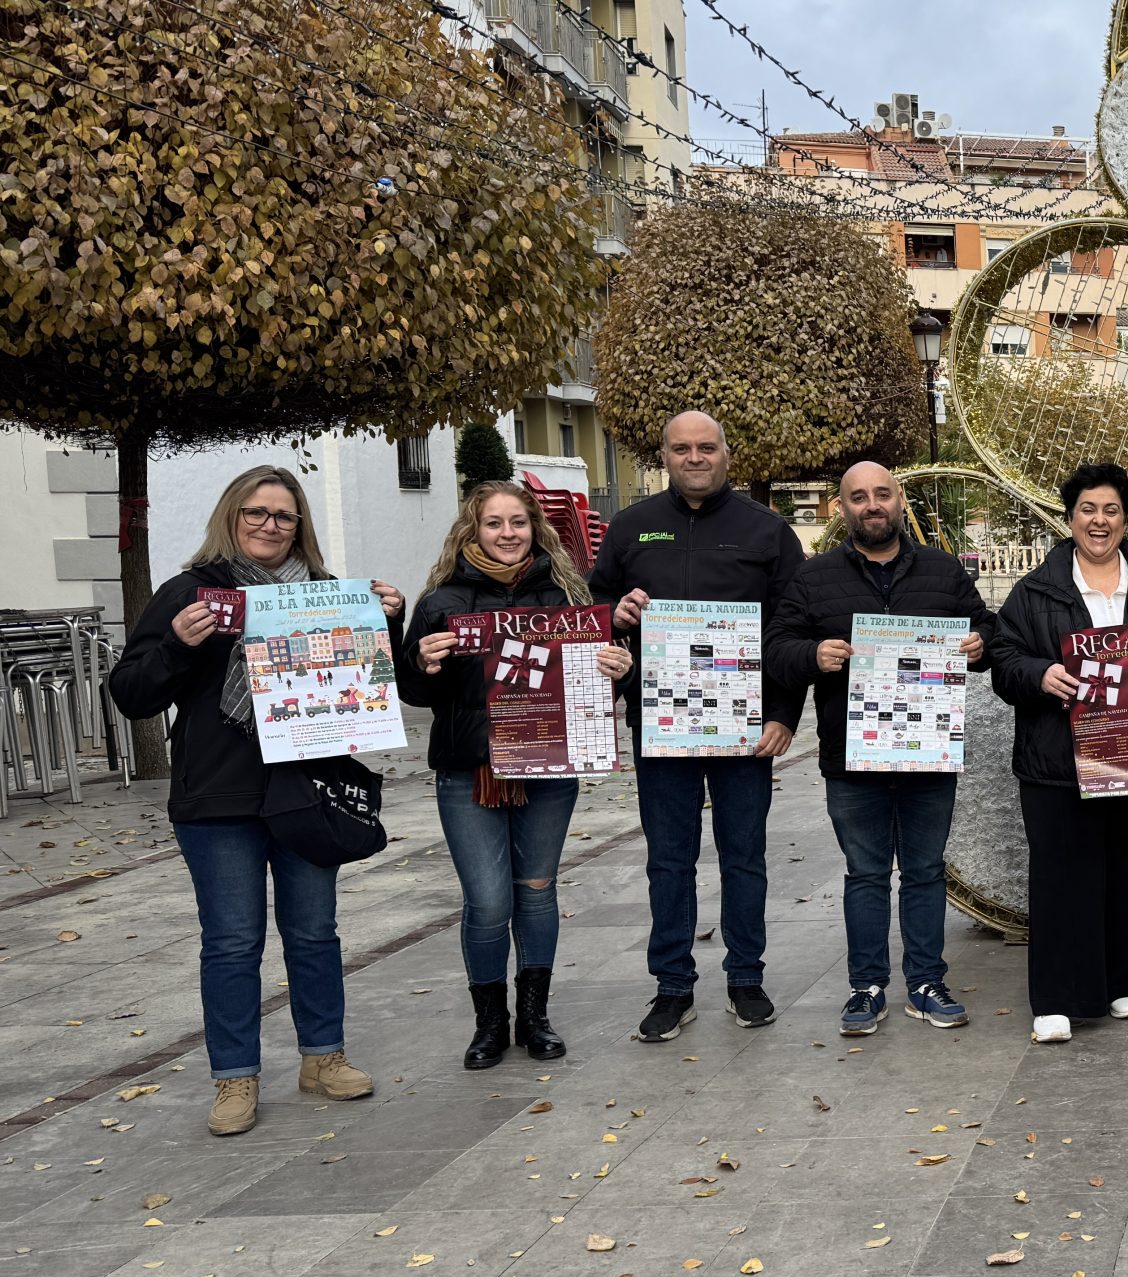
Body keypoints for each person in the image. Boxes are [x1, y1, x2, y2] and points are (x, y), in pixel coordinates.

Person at [108, 466, 402, 1135]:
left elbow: (368, 686)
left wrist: (386, 620)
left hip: (307, 790)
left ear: (300, 526)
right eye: (256, 513)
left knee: (313, 932)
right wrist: (180, 647)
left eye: (284, 516)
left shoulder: (329, 595)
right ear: (231, 516)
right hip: (219, 795)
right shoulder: (191, 592)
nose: (270, 525)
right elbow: (130, 692)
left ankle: (323, 1057)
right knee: (233, 942)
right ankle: (234, 1078)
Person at [586, 410, 808, 1042]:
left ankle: (746, 978)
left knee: (744, 856)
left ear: (725, 454)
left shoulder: (767, 532)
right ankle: (672, 988)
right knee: (669, 860)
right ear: (665, 455)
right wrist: (617, 616)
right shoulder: (630, 528)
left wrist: (784, 714)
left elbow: (791, 629)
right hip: (663, 725)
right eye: (681, 449)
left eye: (706, 447)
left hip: (745, 730)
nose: (694, 458)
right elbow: (596, 616)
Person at [399, 482, 632, 1070]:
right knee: (485, 902)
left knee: (537, 892)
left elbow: (597, 682)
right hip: (468, 771)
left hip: (548, 766)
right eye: (494, 524)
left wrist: (618, 668)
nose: (507, 533)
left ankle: (534, 1015)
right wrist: (423, 663)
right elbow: (414, 691)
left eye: (518, 523)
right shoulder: (440, 601)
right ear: (471, 532)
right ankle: (490, 1022)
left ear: (535, 528)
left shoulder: (566, 596)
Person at [768, 462, 996, 1036]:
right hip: (852, 755)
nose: (872, 505)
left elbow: (991, 631)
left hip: (926, 748)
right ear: (840, 509)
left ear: (900, 502)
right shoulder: (814, 577)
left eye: (883, 495)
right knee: (864, 874)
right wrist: (812, 655)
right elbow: (775, 647)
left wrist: (979, 643)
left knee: (924, 872)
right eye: (858, 497)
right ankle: (866, 988)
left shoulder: (944, 572)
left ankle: (926, 983)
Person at [987, 462, 1128, 1043]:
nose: (1099, 521)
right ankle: (1060, 997)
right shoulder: (1034, 591)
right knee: (1063, 875)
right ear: (1069, 517)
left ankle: (1126, 982)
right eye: (1088, 509)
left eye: (1110, 510)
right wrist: (1040, 674)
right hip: (1058, 761)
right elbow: (1003, 663)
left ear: (1125, 518)